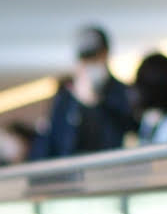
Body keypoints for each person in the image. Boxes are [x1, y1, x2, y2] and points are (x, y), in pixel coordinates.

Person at [32, 25, 135, 159]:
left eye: (95, 58)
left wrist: (97, 103)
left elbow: (124, 137)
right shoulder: (65, 99)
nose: (89, 64)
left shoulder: (124, 94)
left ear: (106, 54)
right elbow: (52, 146)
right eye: (85, 59)